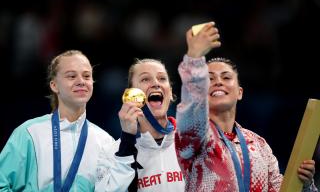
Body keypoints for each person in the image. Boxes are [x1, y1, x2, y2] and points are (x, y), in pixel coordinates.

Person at [175, 23, 318, 191]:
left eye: (226, 77)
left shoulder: (259, 145)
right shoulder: (196, 137)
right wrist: (194, 58)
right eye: (209, 79)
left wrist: (306, 184)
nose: (218, 82)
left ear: (239, 92)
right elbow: (192, 107)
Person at [0, 50, 135, 191]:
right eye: (71, 76)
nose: (81, 81)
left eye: (87, 76)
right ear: (54, 85)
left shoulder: (104, 141)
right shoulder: (29, 133)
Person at [118, 58, 185, 191]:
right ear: (131, 95)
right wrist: (127, 141)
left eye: (162, 78)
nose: (155, 83)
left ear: (170, 93)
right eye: (145, 79)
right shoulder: (116, 151)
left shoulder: (191, 143)